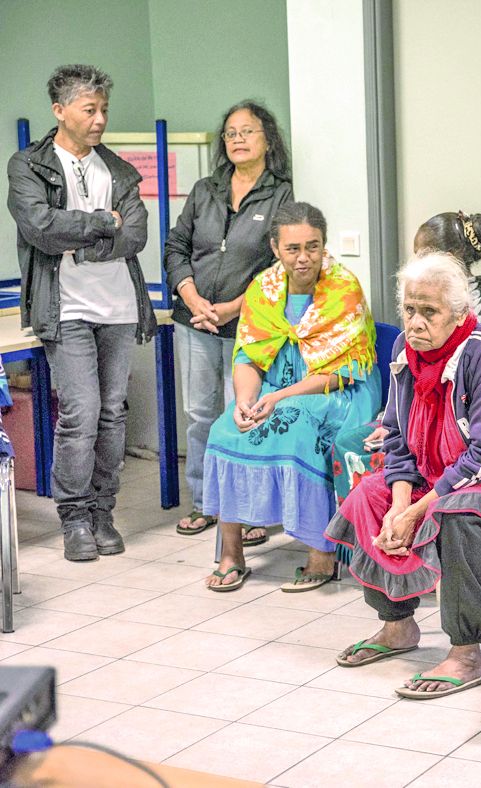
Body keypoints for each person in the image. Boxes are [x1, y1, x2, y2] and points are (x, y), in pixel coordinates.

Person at [325, 251, 481, 699]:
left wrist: (420, 508)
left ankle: (466, 650)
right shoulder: (404, 350)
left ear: (458, 313)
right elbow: (396, 434)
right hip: (439, 471)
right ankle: (397, 625)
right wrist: (400, 504)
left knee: (458, 512)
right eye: (409, 310)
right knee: (369, 498)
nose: (415, 322)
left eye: (429, 312)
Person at [6, 64, 157, 562]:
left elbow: (135, 235)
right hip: (65, 306)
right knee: (81, 412)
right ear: (60, 110)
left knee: (113, 413)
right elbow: (41, 228)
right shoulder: (28, 165)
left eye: (103, 110)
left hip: (117, 306)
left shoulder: (118, 170)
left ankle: (102, 513)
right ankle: (73, 518)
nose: (99, 120)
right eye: (89, 110)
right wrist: (101, 222)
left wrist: (86, 244)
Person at [203, 202, 380, 592]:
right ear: (275, 247)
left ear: (324, 245)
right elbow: (248, 355)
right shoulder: (262, 289)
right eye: (293, 248)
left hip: (337, 390)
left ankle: (321, 554)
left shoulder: (343, 288)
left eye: (313, 247)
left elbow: (342, 371)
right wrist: (246, 400)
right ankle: (232, 554)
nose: (304, 258)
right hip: (276, 389)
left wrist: (280, 396)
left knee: (296, 420)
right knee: (224, 428)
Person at [330, 210, 481, 506]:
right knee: (351, 446)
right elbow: (407, 404)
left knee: (374, 459)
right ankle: (371, 540)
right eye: (409, 311)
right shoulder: (408, 339)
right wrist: (394, 422)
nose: (416, 320)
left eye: (422, 256)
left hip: (477, 427)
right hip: (432, 422)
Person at [164, 100, 293, 543]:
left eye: (248, 131)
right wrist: (192, 296)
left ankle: (252, 510)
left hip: (250, 324)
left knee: (244, 413)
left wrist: (236, 306)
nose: (238, 139)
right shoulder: (205, 189)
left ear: (268, 139)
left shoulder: (282, 193)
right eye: (231, 133)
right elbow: (176, 246)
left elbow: (278, 263)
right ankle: (207, 503)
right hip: (193, 318)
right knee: (200, 415)